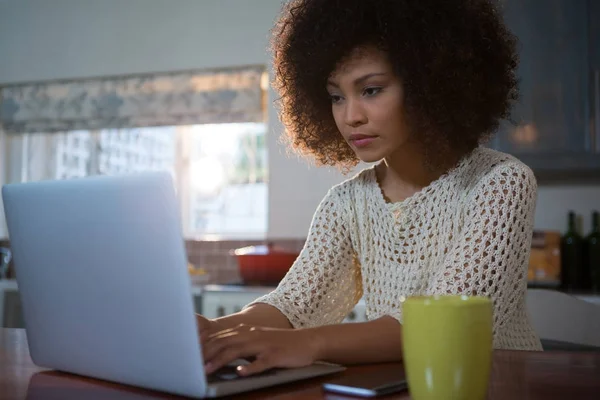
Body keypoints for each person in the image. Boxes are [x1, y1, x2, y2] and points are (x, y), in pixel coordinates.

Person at [197, 0, 543, 377]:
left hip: (495, 384)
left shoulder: (500, 184)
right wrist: (218, 330)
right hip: (403, 385)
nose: (350, 116)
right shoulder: (346, 203)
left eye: (372, 90)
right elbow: (293, 304)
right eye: (336, 96)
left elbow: (441, 325)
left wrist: (309, 344)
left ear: (430, 82)